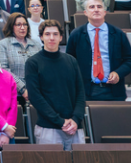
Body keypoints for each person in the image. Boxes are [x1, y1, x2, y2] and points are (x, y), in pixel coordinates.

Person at [24, 20, 87, 149]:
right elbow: (35, 97)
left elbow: (80, 93)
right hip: (48, 128)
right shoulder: (33, 63)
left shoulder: (71, 61)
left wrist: (75, 119)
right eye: (47, 34)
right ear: (41, 37)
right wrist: (60, 121)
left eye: (55, 34)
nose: (51, 38)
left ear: (61, 37)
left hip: (75, 127)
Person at [65, 0, 131, 101]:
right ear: (85, 12)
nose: (96, 9)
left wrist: (118, 73)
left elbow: (130, 60)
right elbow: (69, 62)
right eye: (92, 7)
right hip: (86, 91)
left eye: (99, 6)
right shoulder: (76, 34)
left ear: (105, 12)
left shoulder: (117, 33)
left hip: (114, 90)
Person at [0, 13, 41, 99]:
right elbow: (4, 69)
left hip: (36, 91)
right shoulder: (4, 44)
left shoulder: (36, 44)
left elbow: (42, 67)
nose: (22, 28)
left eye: (25, 24)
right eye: (18, 25)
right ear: (11, 26)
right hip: (14, 93)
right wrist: (22, 89)